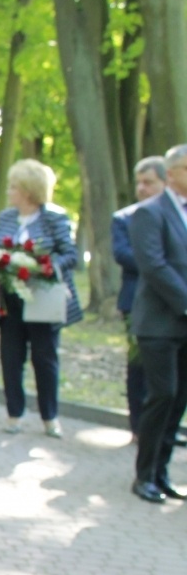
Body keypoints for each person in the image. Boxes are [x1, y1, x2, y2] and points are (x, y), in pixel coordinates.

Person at [0, 159, 81, 438]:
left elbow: (70, 256)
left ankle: (49, 416)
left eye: (14, 187)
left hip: (43, 298)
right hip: (11, 298)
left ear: (29, 191)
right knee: (10, 355)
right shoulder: (7, 217)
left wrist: (42, 267)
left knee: (45, 358)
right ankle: (14, 413)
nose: (9, 191)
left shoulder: (54, 217)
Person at [126, 143, 187, 503]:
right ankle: (143, 474)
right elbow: (154, 265)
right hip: (159, 323)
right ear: (173, 173)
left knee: (178, 400)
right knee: (161, 395)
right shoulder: (149, 213)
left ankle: (161, 473)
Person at [112, 156, 166, 437]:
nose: (142, 188)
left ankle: (165, 426)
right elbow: (123, 254)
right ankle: (139, 426)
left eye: (149, 182)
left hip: (172, 304)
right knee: (139, 364)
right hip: (136, 301)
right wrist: (159, 265)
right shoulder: (124, 218)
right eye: (139, 183)